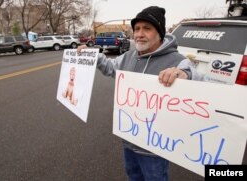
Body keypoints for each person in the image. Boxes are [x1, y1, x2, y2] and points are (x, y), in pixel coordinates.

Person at [77, 6, 201, 181]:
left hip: (155, 149)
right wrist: (94, 57)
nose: (139, 34)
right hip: (129, 139)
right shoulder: (130, 56)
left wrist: (185, 75)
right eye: (137, 29)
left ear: (160, 33)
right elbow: (111, 68)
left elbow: (199, 79)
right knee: (133, 176)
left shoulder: (177, 61)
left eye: (147, 28)